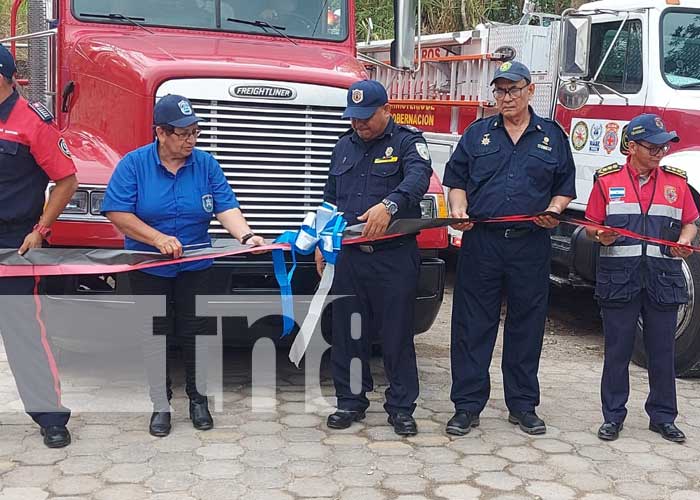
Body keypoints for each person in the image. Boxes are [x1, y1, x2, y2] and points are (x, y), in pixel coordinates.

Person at [102, 94, 265, 437]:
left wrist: (247, 236)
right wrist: (155, 238)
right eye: (183, 134)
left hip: (196, 263)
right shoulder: (134, 164)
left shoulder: (205, 164)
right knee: (155, 334)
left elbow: (225, 206)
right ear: (160, 133)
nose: (191, 140)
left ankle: (198, 400)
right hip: (147, 264)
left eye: (195, 132)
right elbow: (117, 211)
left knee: (198, 332)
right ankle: (160, 404)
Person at [442, 61, 576, 436]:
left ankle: (523, 405)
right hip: (482, 243)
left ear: (530, 91)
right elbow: (456, 180)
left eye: (513, 90)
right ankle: (467, 406)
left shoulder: (551, 135)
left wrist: (555, 209)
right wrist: (458, 209)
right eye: (500, 91)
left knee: (527, 326)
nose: (506, 98)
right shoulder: (477, 134)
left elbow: (564, 185)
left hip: (530, 244)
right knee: (471, 326)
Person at [316, 80, 432, 436]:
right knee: (348, 331)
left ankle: (400, 407)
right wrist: (323, 242)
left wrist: (389, 205)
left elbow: (419, 178)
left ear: (386, 110)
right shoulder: (343, 147)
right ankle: (350, 402)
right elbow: (330, 199)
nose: (359, 124)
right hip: (350, 257)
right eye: (354, 118)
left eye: (366, 117)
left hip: (393, 257)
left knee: (396, 333)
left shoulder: (408, 142)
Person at [585, 114, 697, 443]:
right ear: (631, 147)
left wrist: (687, 240)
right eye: (652, 146)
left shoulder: (677, 183)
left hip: (663, 280)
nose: (660, 152)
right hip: (620, 279)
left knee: (662, 351)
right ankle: (613, 416)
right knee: (617, 350)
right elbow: (591, 224)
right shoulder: (607, 181)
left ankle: (663, 416)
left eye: (664, 146)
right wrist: (600, 236)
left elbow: (691, 221)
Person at [0, 45, 79, 448]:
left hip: (15, 244)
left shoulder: (31, 122)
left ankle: (50, 417)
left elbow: (66, 180)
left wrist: (41, 230)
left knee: (23, 333)